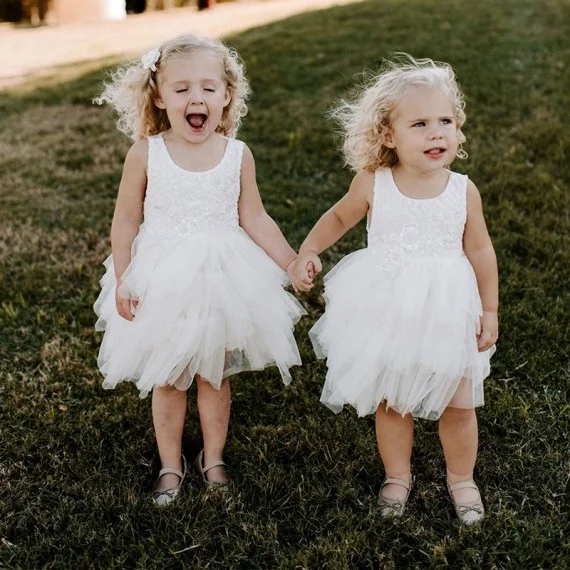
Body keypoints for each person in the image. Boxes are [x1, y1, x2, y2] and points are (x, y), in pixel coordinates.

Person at [94, 33, 305, 505]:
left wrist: (289, 260)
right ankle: (171, 464)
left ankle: (214, 457)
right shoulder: (146, 153)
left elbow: (254, 215)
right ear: (160, 97)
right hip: (162, 276)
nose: (196, 98)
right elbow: (126, 217)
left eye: (208, 88)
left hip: (221, 277)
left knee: (215, 373)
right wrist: (126, 275)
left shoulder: (237, 154)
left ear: (227, 96)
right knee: (168, 376)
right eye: (182, 88)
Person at [291, 55, 498, 524]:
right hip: (387, 307)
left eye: (445, 121)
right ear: (388, 135)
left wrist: (490, 310)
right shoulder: (374, 182)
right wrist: (309, 248)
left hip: (447, 308)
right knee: (393, 400)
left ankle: (462, 478)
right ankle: (397, 476)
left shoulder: (462, 190)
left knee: (459, 402)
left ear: (459, 128)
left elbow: (482, 252)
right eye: (420, 123)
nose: (436, 133)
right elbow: (341, 216)